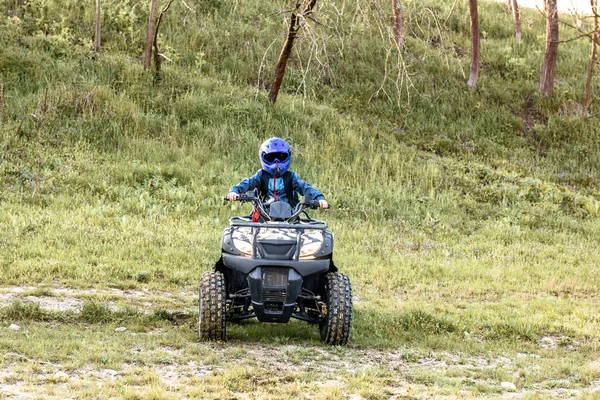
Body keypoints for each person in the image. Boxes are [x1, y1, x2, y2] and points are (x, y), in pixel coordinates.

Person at [226, 137, 329, 209]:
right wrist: (235, 191)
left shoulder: (291, 177)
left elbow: (305, 187)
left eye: (281, 157)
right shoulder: (261, 175)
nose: (276, 162)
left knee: (304, 235)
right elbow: (247, 183)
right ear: (263, 157)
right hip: (264, 214)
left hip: (290, 216)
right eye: (270, 158)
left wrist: (319, 198)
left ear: (287, 157)